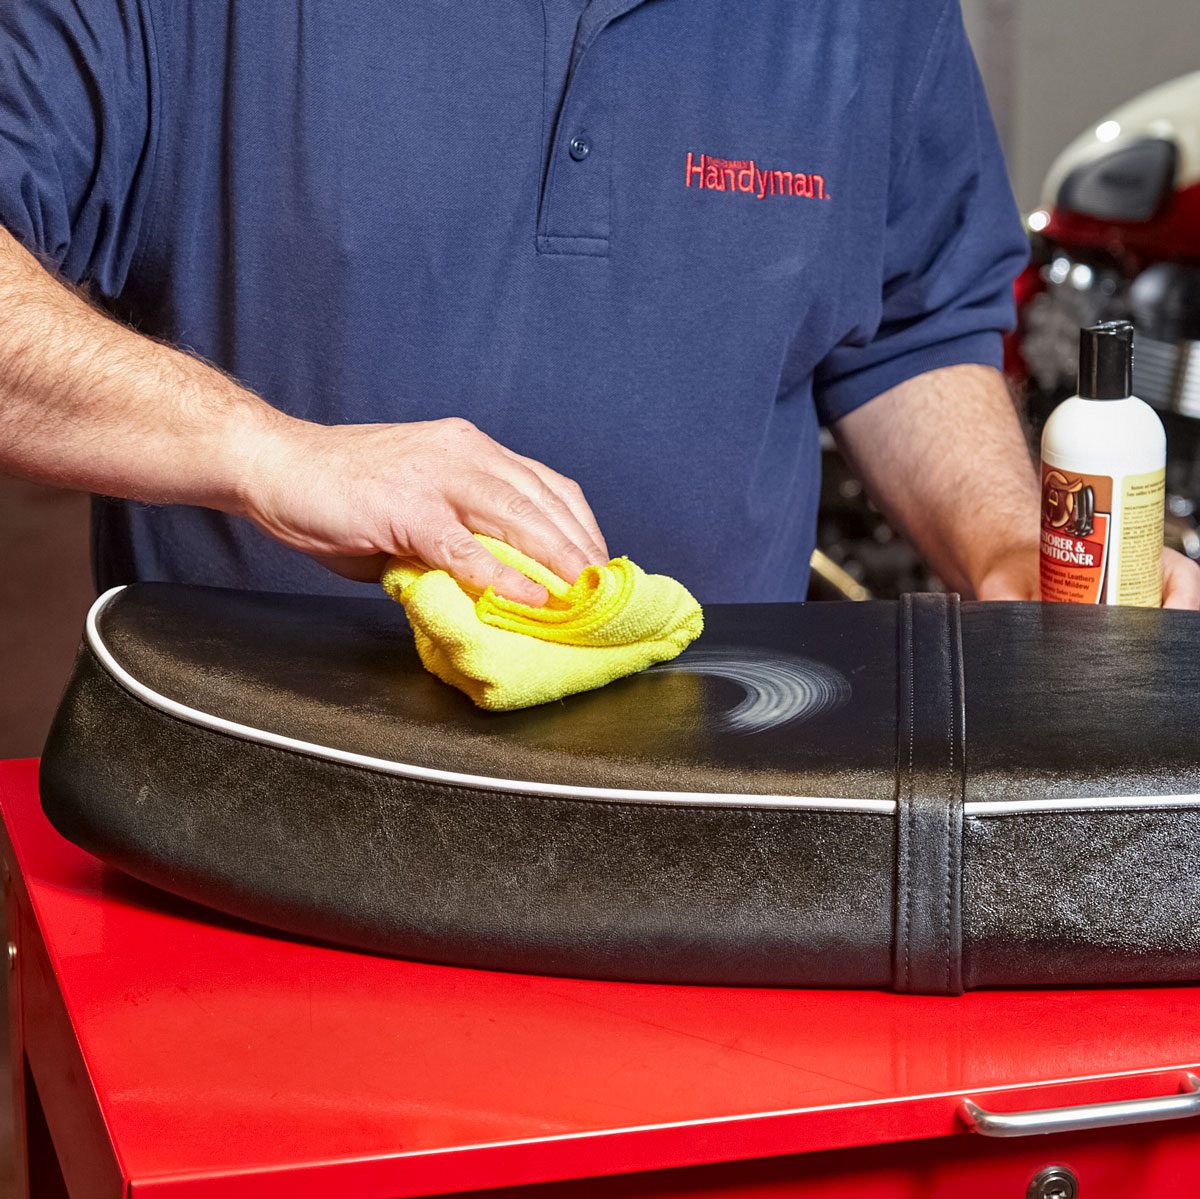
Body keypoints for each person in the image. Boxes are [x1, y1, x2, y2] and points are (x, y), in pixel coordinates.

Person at [0, 0, 1196, 609]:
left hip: (721, 839)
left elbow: (913, 326)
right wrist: (264, 449)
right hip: (248, 824)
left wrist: (1003, 553)